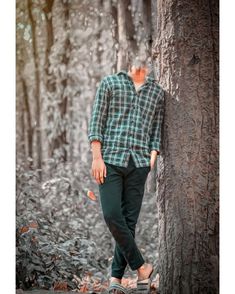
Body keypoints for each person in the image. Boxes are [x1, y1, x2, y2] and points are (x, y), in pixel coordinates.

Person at [88, 51, 165, 294]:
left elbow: (156, 129)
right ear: (130, 63)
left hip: (139, 164)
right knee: (112, 214)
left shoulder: (157, 92)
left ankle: (115, 280)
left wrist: (151, 157)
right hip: (109, 161)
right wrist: (96, 158)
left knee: (129, 222)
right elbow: (96, 123)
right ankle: (142, 266)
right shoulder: (110, 83)